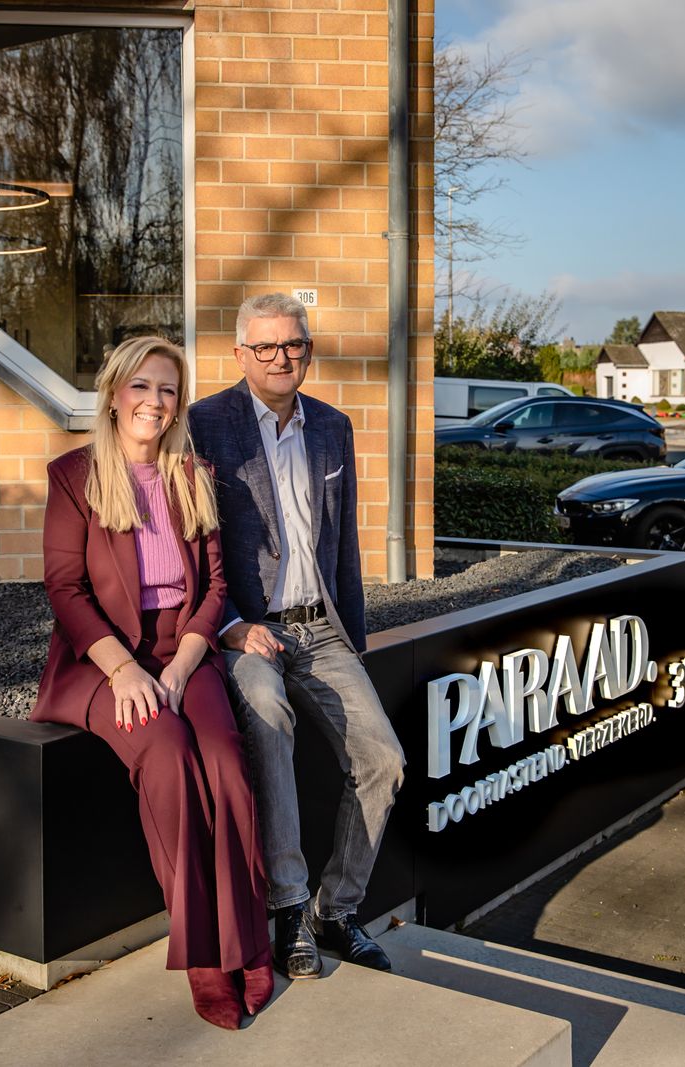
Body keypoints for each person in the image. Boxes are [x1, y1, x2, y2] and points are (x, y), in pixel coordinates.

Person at [31, 336, 271, 1030]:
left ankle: (248, 941)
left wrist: (183, 664)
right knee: (167, 752)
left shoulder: (193, 475)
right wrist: (124, 668)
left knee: (225, 761)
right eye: (141, 386)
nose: (154, 401)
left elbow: (216, 585)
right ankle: (203, 955)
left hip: (182, 651)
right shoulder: (73, 475)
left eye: (167, 389)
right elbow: (65, 588)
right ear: (114, 394)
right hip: (102, 657)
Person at [189, 293, 406, 979]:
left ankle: (335, 910)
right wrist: (226, 626)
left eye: (293, 345)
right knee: (270, 719)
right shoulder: (203, 425)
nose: (281, 357)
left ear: (307, 350)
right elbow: (191, 542)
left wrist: (354, 645)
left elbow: (345, 545)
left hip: (322, 629)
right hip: (248, 630)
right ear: (240, 354)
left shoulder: (333, 427)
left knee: (384, 760)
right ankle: (287, 906)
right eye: (266, 346)